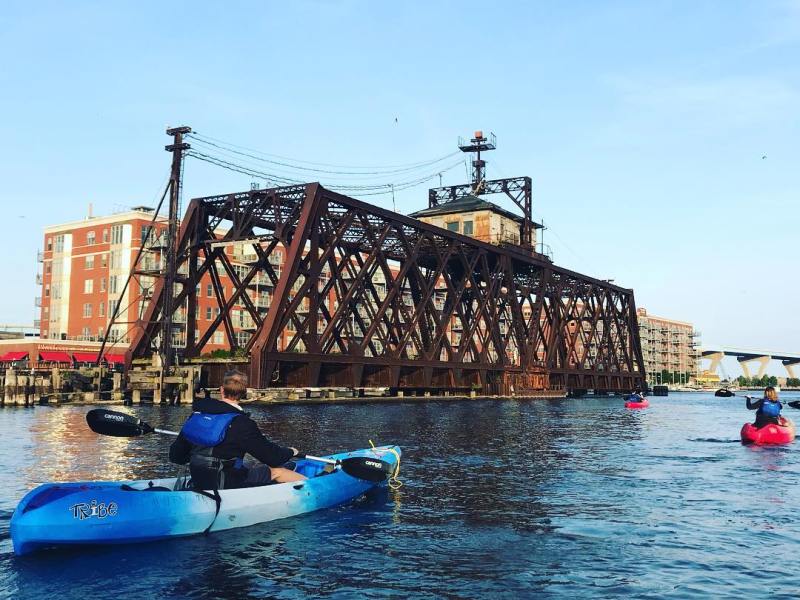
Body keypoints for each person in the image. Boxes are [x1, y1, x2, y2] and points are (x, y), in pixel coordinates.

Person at [170, 369, 306, 490]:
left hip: (199, 479)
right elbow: (273, 458)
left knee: (249, 462)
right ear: (244, 393)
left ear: (221, 390)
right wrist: (291, 451)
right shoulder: (243, 423)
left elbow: (175, 456)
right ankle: (314, 485)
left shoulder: (196, 415)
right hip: (224, 484)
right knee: (277, 471)